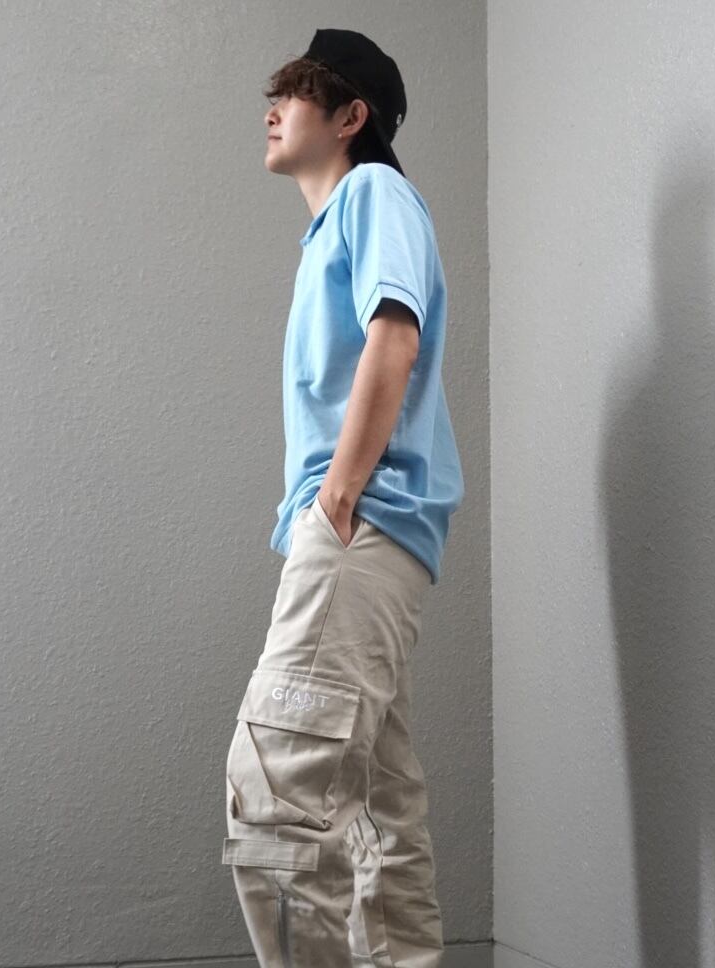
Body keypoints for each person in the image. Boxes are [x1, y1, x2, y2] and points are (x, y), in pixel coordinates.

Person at [221, 27, 464, 967]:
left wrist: (336, 498)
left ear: (350, 115)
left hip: (359, 529)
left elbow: (393, 337)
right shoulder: (335, 225)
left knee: (277, 798)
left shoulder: (373, 193)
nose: (272, 109)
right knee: (375, 815)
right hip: (372, 534)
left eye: (293, 93)